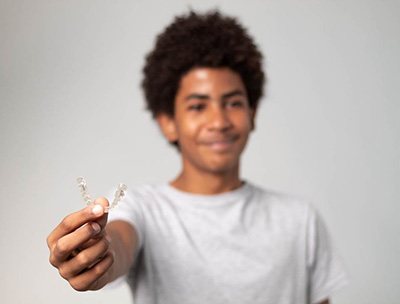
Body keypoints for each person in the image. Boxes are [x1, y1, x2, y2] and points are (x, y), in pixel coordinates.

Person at [47, 10, 348, 304]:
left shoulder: (299, 219)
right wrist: (97, 254)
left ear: (252, 114)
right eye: (197, 106)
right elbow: (119, 244)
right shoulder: (144, 209)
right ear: (168, 122)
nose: (218, 121)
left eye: (233, 103)